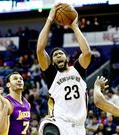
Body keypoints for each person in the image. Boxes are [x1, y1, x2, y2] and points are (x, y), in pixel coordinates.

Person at [37, 3, 91, 135]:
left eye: (60, 53)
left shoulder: (77, 69)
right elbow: (40, 50)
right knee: (48, 128)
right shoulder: (52, 74)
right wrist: (50, 19)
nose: (57, 56)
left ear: (67, 58)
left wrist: (75, 26)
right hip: (59, 122)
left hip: (79, 126)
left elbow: (87, 53)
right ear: (53, 62)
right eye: (54, 55)